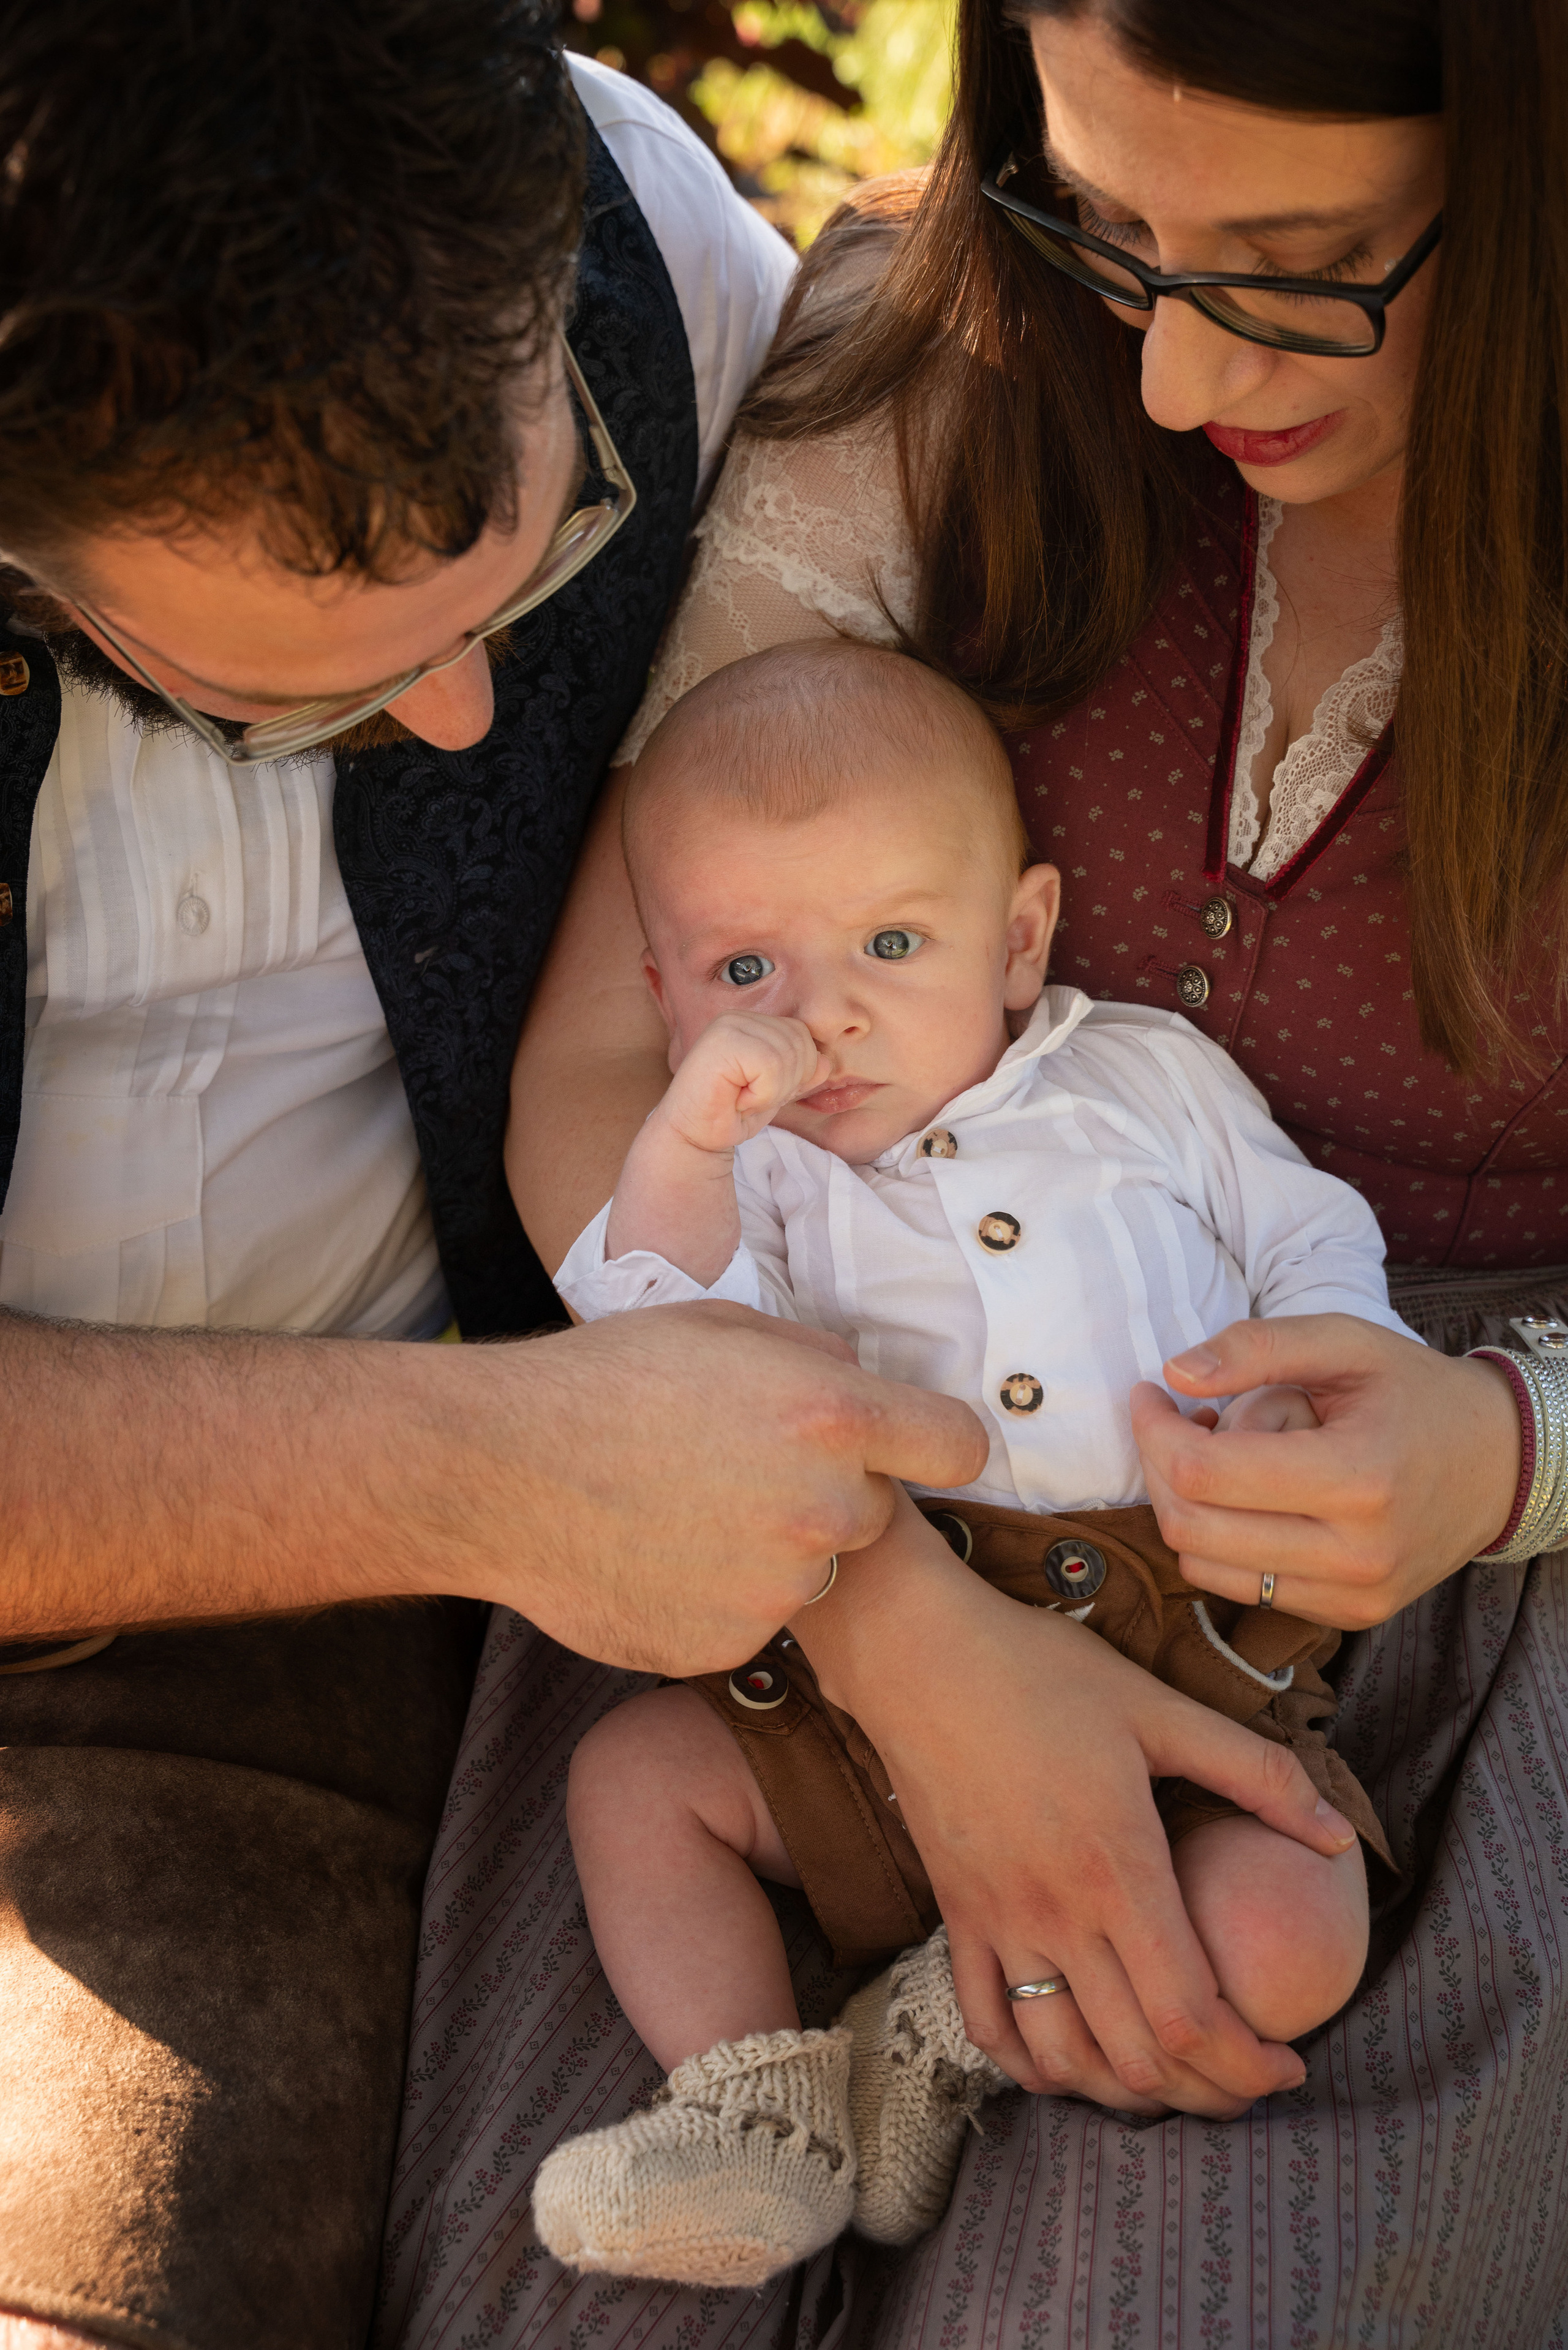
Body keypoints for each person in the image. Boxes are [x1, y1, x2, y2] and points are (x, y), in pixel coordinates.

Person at [390, 0, 1568, 2341]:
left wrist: (1505, 1443)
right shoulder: (935, 370)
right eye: (1109, 223)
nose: (1160, 374)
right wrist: (886, 1619)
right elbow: (612, 1065)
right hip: (769, 1481)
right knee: (624, 2279)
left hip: (1404, 1583)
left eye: (1303, 255)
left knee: (1176, 2260)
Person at [0, 6, 1017, 2346]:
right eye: (309, 694)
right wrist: (494, 1465)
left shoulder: (647, 248)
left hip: (256, 1704)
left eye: (541, 569)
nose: (466, 725)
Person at [528, 639, 1405, 2289]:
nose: (821, 1014)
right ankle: (754, 2107)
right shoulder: (759, 1176)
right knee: (633, 1787)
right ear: (659, 993)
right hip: (860, 1662)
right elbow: (655, 1337)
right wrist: (687, 1142)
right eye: (742, 971)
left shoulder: (1140, 1081)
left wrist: (1314, 1381)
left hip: (1187, 1639)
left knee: (1298, 1916)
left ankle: (939, 2033)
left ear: (1018, 942)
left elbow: (1309, 1235)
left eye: (891, 943)